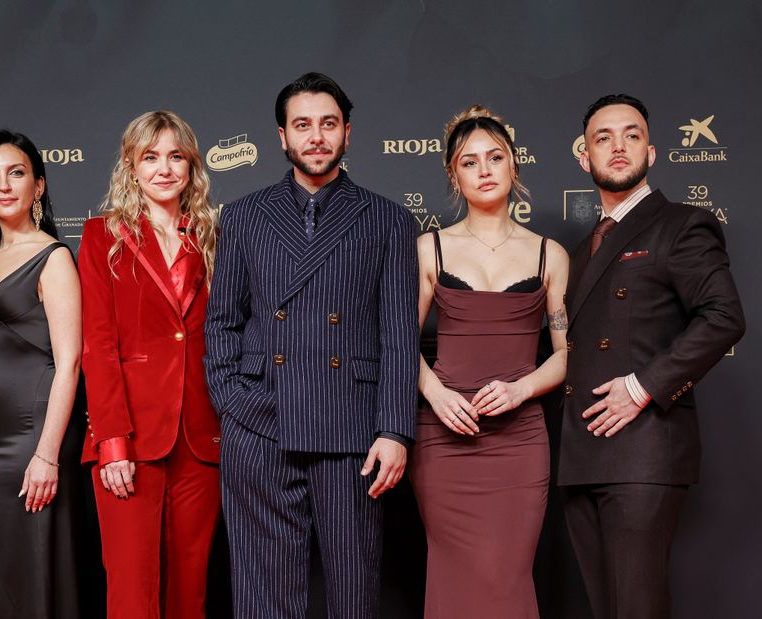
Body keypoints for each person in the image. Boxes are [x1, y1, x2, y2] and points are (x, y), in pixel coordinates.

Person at [204, 72, 419, 618]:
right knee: (262, 596)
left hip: (351, 428)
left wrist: (394, 430)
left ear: (349, 133)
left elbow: (399, 333)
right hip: (259, 423)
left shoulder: (388, 220)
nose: (316, 136)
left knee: (353, 593)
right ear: (282, 136)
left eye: (328, 124)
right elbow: (222, 322)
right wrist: (232, 401)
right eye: (303, 125)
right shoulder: (245, 215)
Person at [560, 94, 745, 619]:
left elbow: (724, 318)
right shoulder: (577, 252)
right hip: (580, 455)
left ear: (653, 150)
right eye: (603, 138)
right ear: (584, 157)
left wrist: (642, 387)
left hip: (643, 450)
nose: (618, 146)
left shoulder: (683, 224)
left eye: (631, 134)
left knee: (637, 608)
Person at [408, 105, 569, 618]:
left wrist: (522, 389)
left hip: (520, 444)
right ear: (454, 175)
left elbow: (567, 355)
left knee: (506, 574)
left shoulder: (550, 255)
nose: (484, 169)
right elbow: (397, 343)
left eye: (494, 157)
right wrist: (434, 392)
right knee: (455, 573)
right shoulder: (428, 249)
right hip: (443, 439)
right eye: (469, 161)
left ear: (513, 166)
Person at [79, 110, 221, 619]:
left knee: (191, 593)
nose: (164, 168)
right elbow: (97, 344)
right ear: (131, 166)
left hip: (201, 437)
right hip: (129, 439)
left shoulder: (212, 237)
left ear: (191, 167)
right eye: (150, 156)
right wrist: (112, 440)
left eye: (175, 156)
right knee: (132, 594)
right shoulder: (101, 237)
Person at [0, 130, 83, 618]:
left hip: (33, 440)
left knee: (34, 570)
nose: (3, 185)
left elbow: (70, 361)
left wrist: (47, 455)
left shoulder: (54, 258)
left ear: (39, 185)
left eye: (17, 173)